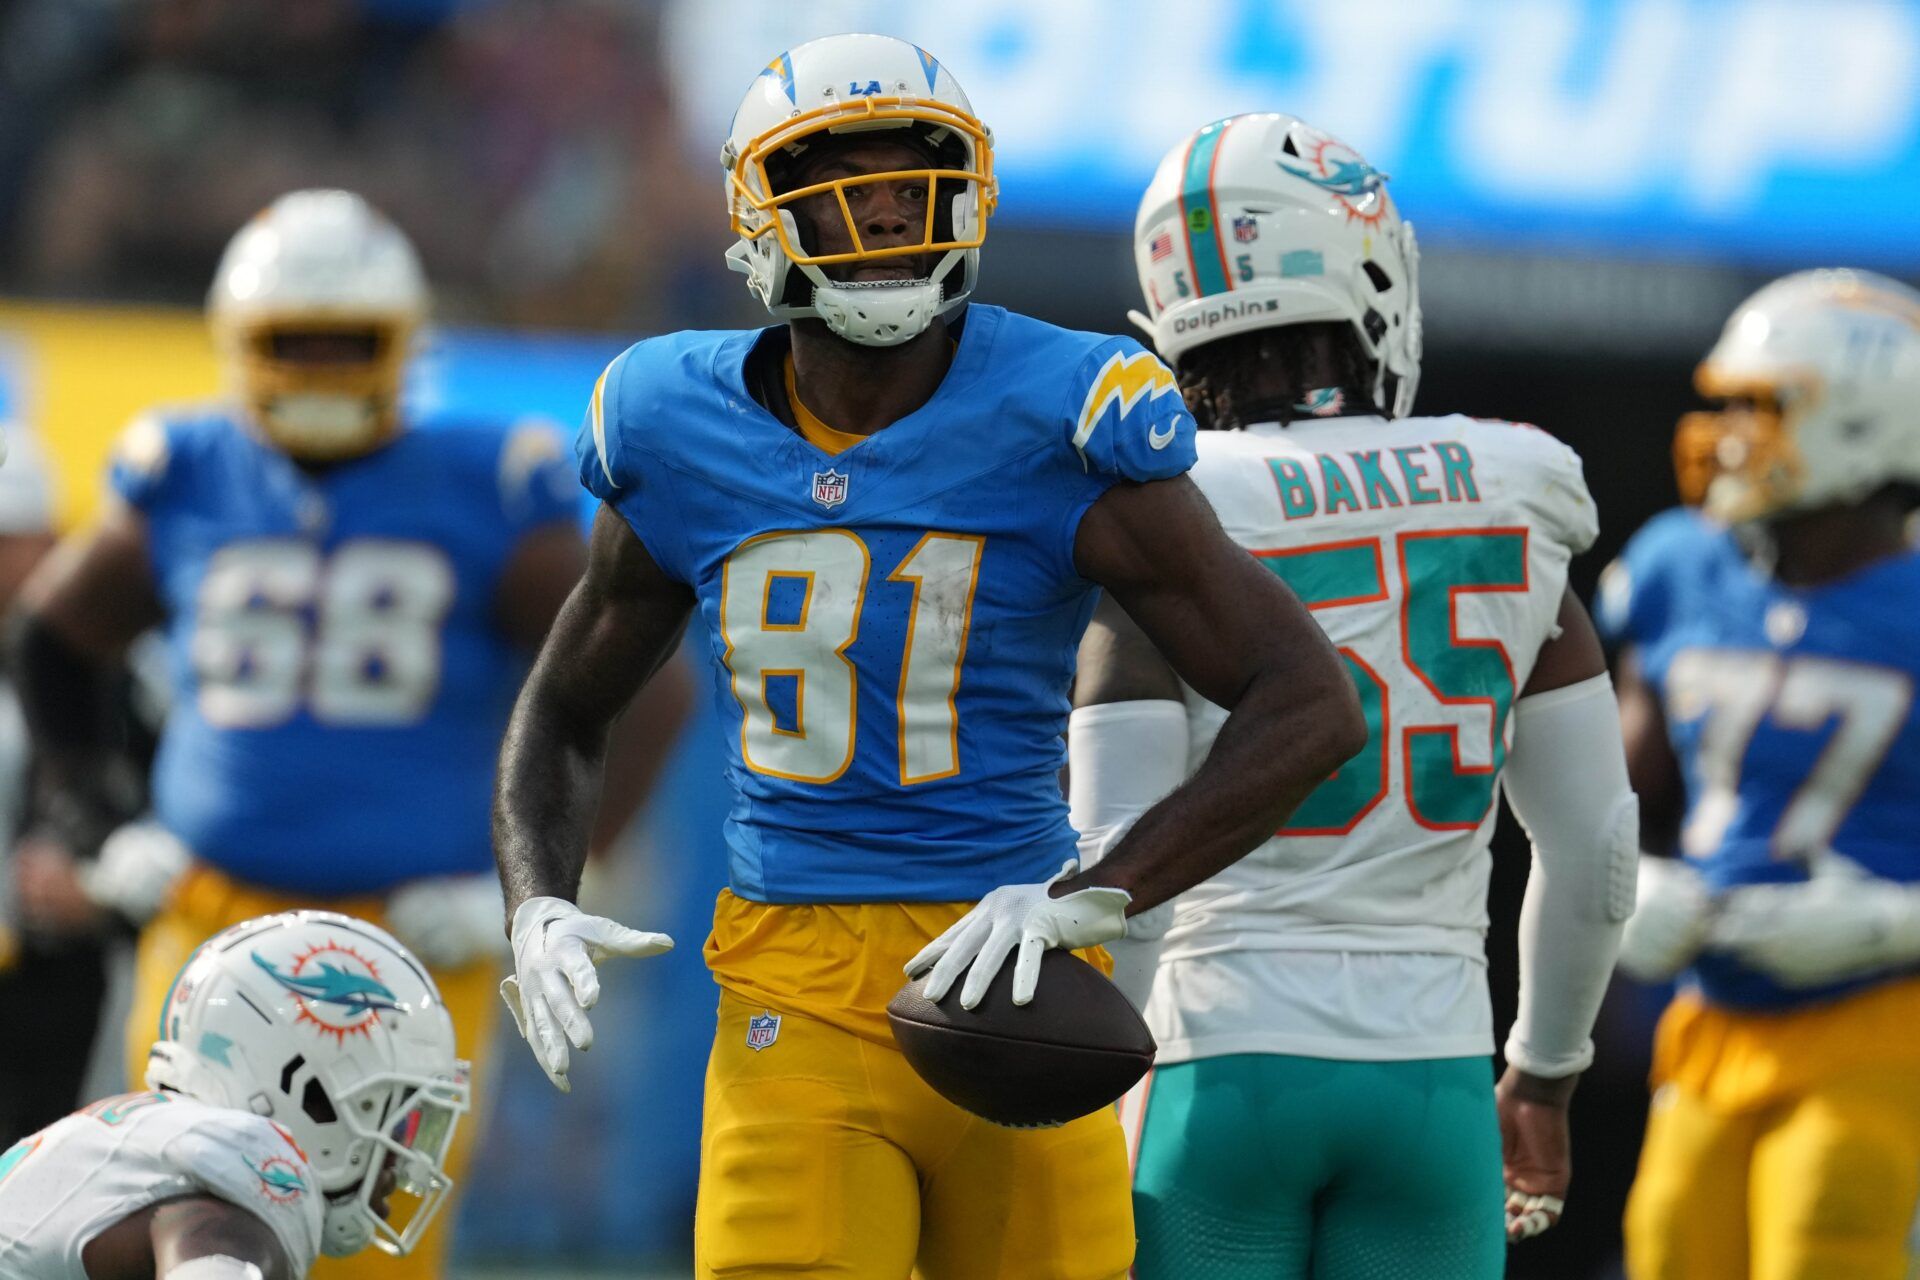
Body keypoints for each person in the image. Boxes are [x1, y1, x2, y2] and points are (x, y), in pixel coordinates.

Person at [492, 35, 1364, 1280]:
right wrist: (538, 903)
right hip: (785, 986)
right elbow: (570, 707)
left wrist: (1098, 887)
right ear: (760, 214)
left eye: (912, 188)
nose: (885, 220)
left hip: (1010, 971)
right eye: (843, 193)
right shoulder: (671, 422)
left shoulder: (1064, 411)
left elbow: (1310, 702)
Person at [10, 188, 615, 1279]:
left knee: (367, 1244)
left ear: (402, 345)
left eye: (351, 344)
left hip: (413, 934)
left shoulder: (490, 480)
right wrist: (102, 822)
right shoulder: (188, 465)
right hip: (211, 919)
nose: (322, 368)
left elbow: (623, 679)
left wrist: (537, 882)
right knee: (180, 1211)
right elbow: (54, 638)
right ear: (240, 345)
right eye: (296, 343)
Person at [1084, 114, 1635, 1279]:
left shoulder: (1167, 507)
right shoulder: (1509, 486)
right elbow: (1595, 849)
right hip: (1430, 1077)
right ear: (1367, 269)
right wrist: (1543, 1065)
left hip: (1212, 1067)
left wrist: (1083, 1095)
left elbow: (1110, 866)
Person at [1606, 268, 1920, 1280]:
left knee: (1822, 1242)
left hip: (1886, 1017)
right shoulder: (1679, 566)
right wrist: (1628, 888)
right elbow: (1607, 795)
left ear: (1871, 420)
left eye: (1765, 403)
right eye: (1729, 401)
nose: (1732, 430)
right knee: (1668, 1245)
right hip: (1712, 1014)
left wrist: (1889, 920)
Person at [0, 909, 467, 1279]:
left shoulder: (146, 1147)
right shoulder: (242, 1179)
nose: (401, 1163)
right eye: (399, 1118)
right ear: (305, 1090)